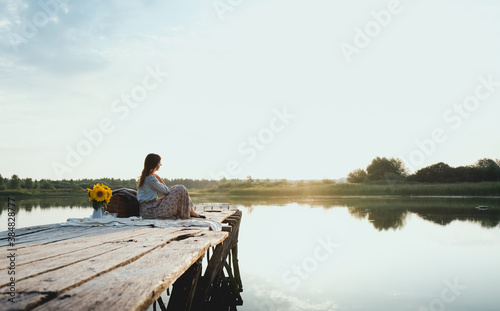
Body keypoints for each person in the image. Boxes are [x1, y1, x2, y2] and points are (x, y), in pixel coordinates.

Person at [137, 153, 204, 219]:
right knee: (180, 188)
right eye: (159, 163)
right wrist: (159, 179)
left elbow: (164, 191)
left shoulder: (145, 177)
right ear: (155, 164)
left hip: (147, 211)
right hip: (151, 211)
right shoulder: (150, 178)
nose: (160, 165)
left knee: (178, 188)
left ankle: (191, 211)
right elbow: (165, 191)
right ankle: (191, 212)